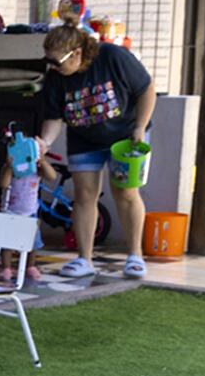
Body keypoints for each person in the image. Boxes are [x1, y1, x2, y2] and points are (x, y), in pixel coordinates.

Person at [38, 23, 155, 278]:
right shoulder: (56, 79)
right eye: (49, 62)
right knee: (84, 196)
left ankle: (135, 255)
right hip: (84, 139)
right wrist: (44, 143)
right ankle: (84, 259)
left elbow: (146, 89)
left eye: (57, 62)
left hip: (125, 136)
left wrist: (140, 126)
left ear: (77, 53)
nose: (53, 67)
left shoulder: (112, 57)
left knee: (125, 192)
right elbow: (54, 118)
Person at [0, 125, 53, 286]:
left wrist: (42, 161)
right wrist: (8, 167)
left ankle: (30, 266)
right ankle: (6, 267)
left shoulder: (36, 170)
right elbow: (3, 184)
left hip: (30, 212)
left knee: (32, 242)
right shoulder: (10, 169)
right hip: (10, 211)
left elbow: (52, 176)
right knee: (7, 242)